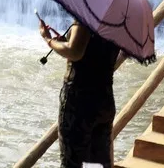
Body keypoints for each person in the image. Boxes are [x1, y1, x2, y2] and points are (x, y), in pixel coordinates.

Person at [39, 20, 120, 168]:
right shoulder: (115, 16)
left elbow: (75, 52)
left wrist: (48, 39)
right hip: (104, 98)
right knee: (98, 163)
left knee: (72, 163)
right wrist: (65, 42)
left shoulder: (86, 15)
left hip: (79, 103)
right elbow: (94, 51)